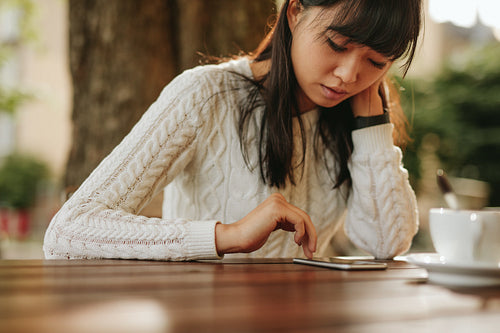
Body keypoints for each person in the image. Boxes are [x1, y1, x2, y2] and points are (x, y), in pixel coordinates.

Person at [44, 0, 421, 261]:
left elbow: (386, 243)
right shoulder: (205, 96)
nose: (349, 75)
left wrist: (372, 124)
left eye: (376, 61)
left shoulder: (349, 114)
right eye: (337, 44)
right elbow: (68, 231)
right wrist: (227, 235)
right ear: (295, 13)